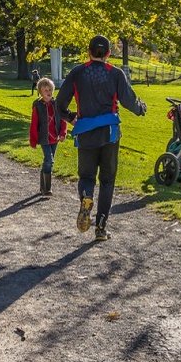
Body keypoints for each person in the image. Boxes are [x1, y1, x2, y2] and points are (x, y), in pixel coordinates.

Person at [54, 35, 147, 241]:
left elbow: (59, 104)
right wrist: (141, 108)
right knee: (107, 180)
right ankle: (101, 227)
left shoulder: (77, 72)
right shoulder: (115, 73)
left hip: (86, 130)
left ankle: (86, 196)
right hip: (109, 133)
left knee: (86, 177)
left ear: (88, 52)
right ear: (108, 53)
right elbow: (128, 100)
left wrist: (71, 118)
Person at [28, 77, 66, 198]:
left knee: (48, 161)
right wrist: (33, 140)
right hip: (44, 138)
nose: (48, 92)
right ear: (40, 92)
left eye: (50, 89)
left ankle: (42, 186)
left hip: (55, 138)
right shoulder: (37, 106)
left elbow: (63, 120)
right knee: (49, 160)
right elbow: (34, 124)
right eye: (45, 90)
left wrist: (63, 133)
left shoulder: (57, 104)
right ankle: (48, 189)